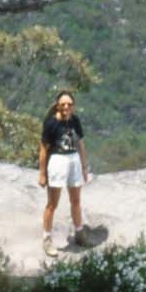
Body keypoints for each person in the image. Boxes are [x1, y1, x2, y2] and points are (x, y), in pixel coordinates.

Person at [37, 90, 92, 258]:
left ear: (73, 106)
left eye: (69, 104)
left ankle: (79, 233)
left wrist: (83, 167)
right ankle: (47, 238)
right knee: (52, 204)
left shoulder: (75, 121)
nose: (66, 107)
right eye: (63, 104)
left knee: (75, 200)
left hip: (73, 159)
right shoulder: (51, 124)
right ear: (57, 105)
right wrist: (42, 174)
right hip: (57, 161)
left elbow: (80, 144)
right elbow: (43, 150)